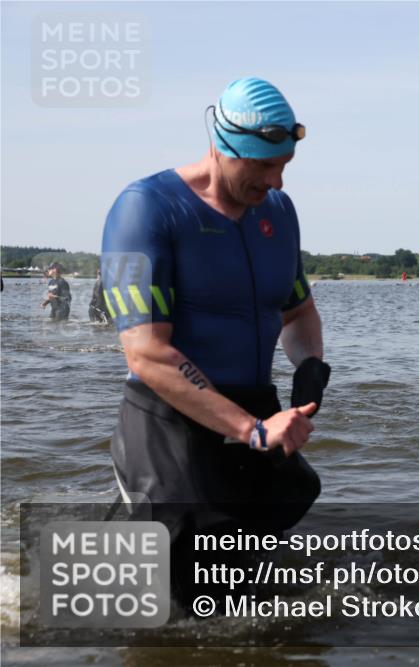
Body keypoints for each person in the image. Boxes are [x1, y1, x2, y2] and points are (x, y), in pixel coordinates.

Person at [100, 77, 329, 605]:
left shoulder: (279, 213)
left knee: (244, 588)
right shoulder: (145, 208)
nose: (276, 182)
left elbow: (299, 312)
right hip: (169, 422)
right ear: (224, 147)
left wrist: (309, 362)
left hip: (255, 412)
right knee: (174, 604)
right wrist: (250, 431)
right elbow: (145, 352)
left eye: (284, 166)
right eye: (263, 166)